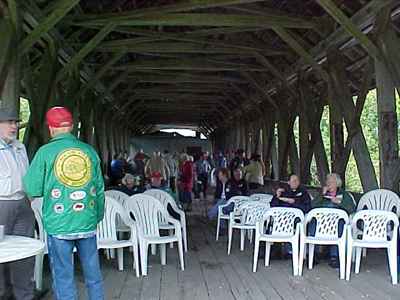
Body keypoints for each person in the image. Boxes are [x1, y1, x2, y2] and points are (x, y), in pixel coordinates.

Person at [23, 107, 105, 300]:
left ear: (50, 128)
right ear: (72, 126)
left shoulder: (45, 152)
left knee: (63, 275)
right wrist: (97, 216)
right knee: (93, 274)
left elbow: (32, 188)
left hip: (58, 223)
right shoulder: (89, 151)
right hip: (86, 221)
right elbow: (100, 190)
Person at [0, 105, 35, 300]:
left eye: (15, 122)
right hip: (1, 203)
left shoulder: (20, 147)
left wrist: (30, 201)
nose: (14, 126)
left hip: (23, 203)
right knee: (1, 251)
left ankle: (24, 294)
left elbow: (26, 176)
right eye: (9, 123)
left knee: (24, 249)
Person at [310, 173, 355, 268]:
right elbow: (311, 206)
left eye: (332, 182)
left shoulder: (344, 195)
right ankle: (314, 254)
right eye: (328, 182)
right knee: (313, 222)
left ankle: (334, 256)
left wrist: (340, 202)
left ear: (337, 183)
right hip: (321, 222)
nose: (329, 184)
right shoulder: (323, 195)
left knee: (341, 224)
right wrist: (322, 195)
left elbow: (352, 209)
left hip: (336, 223)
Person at [270, 174, 311, 258]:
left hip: (297, 220)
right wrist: (277, 196)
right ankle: (276, 250)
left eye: (297, 180)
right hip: (282, 219)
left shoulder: (303, 192)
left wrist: (294, 202)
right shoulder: (283, 192)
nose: (295, 182)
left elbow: (307, 208)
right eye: (293, 180)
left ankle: (290, 251)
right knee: (274, 223)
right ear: (288, 182)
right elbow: (273, 206)